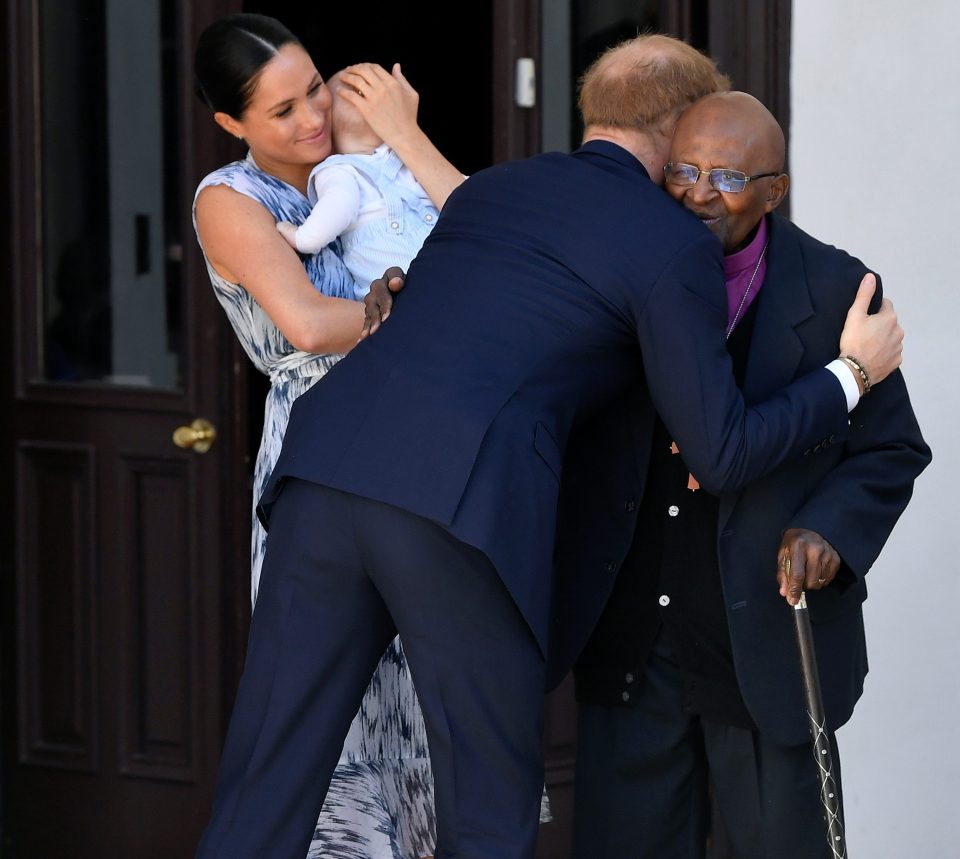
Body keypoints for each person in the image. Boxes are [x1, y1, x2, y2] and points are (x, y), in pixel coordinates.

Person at [195, 34, 905, 859]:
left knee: (266, 779)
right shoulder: (666, 243)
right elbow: (721, 449)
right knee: (488, 802)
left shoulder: (496, 188)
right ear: (680, 129)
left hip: (320, 471)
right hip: (457, 506)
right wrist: (850, 374)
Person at [569, 91, 931, 859]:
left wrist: (831, 529)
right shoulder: (622, 269)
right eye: (684, 171)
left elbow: (892, 448)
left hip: (763, 643)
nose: (699, 193)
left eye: (728, 178)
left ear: (775, 190)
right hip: (635, 640)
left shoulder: (838, 291)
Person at [192, 13, 463, 859]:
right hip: (320, 461)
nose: (312, 117)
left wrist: (407, 136)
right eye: (282, 111)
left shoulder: (371, 166)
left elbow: (495, 239)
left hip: (419, 455)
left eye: (314, 88)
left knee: (431, 692)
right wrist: (437, 313)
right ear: (232, 125)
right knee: (329, 708)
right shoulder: (232, 200)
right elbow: (308, 325)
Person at [276, 71, 457, 297]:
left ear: (327, 127)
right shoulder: (409, 159)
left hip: (396, 275)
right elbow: (464, 196)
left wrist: (303, 238)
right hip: (448, 259)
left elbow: (338, 206)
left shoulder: (338, 169)